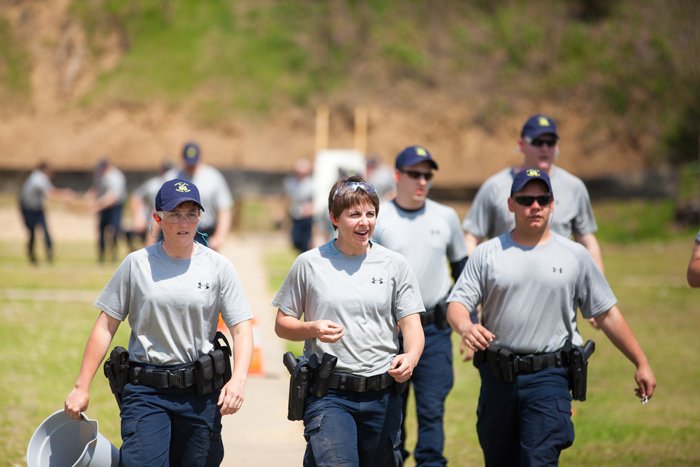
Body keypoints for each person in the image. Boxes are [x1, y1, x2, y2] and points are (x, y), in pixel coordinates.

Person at [447, 168, 656, 466]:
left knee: (540, 460)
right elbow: (457, 303)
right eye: (525, 199)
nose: (535, 206)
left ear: (552, 204)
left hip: (549, 377)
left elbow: (607, 313)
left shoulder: (574, 255)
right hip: (497, 377)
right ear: (511, 204)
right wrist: (466, 326)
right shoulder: (487, 253)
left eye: (542, 199)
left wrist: (641, 361)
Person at [64, 178, 254, 466]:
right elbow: (106, 326)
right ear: (157, 218)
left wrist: (238, 381)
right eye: (175, 214)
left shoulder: (218, 267)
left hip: (200, 394)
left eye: (192, 213)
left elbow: (241, 329)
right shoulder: (136, 264)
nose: (184, 222)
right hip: (146, 392)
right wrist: (81, 386)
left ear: (200, 217)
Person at [273, 175, 426, 467]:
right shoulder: (309, 263)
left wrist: (411, 356)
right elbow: (282, 324)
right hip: (329, 395)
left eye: (370, 214)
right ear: (334, 218)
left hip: (382, 396)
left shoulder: (395, 265)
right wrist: (311, 328)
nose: (364, 222)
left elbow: (411, 326)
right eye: (354, 214)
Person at [374, 146, 468, 467]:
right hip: (388, 333)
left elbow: (463, 274)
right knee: (390, 415)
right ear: (398, 176)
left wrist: (469, 324)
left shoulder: (446, 217)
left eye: (428, 175)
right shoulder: (378, 217)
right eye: (415, 174)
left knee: (432, 412)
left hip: (434, 331)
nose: (422, 181)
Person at [173, 142, 233, 251]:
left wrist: (218, 237)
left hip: (205, 233)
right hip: (179, 231)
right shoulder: (173, 177)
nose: (191, 167)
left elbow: (224, 210)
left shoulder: (213, 178)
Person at [18, 162, 74, 264]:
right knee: (32, 234)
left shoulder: (37, 177)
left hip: (37, 209)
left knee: (45, 231)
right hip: (28, 210)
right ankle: (33, 256)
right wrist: (65, 195)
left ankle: (49, 256)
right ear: (44, 170)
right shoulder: (38, 178)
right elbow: (50, 193)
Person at [84, 159, 127, 263]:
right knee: (101, 229)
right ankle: (101, 256)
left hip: (115, 206)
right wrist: (88, 196)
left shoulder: (116, 177)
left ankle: (114, 255)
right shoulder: (99, 174)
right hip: (103, 206)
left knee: (115, 230)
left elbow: (112, 198)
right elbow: (96, 186)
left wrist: (96, 207)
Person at [128, 159, 174, 248]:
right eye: (166, 169)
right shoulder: (153, 184)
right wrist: (137, 217)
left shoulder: (180, 185)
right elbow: (136, 197)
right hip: (155, 221)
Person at [279, 158, 314, 253]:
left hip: (309, 217)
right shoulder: (290, 182)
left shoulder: (313, 183)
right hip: (294, 214)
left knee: (306, 241)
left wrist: (312, 207)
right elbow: (285, 197)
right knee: (296, 240)